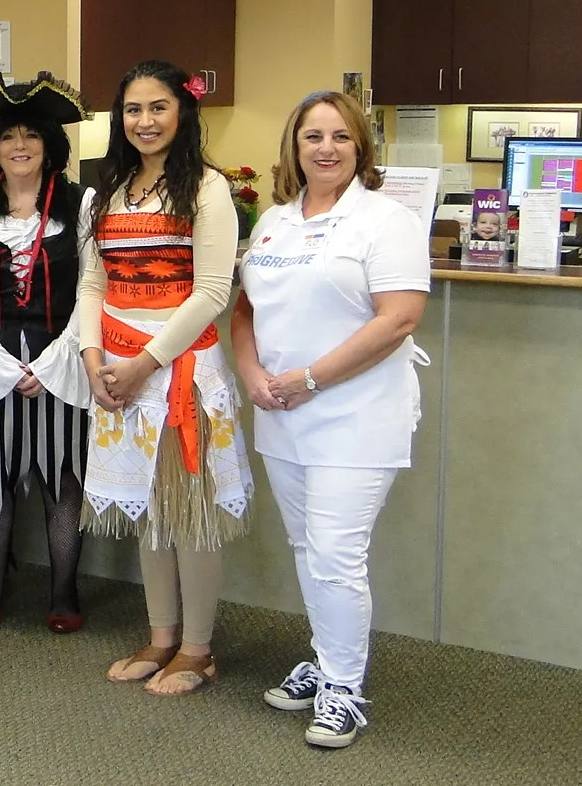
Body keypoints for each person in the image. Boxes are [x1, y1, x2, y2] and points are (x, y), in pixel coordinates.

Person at [231, 91, 430, 749]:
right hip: (284, 411)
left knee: (338, 555)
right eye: (313, 136)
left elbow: (399, 317)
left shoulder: (385, 220)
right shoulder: (273, 222)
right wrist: (254, 375)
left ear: (360, 147)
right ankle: (325, 660)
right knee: (307, 550)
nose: (325, 148)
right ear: (294, 145)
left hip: (356, 415)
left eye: (340, 137)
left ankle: (344, 688)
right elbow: (245, 310)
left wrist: (312, 378)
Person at [79, 60, 252, 696]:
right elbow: (91, 284)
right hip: (117, 374)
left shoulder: (207, 189)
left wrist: (143, 363)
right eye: (132, 109)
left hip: (180, 372)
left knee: (191, 510)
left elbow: (211, 290)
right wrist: (94, 362)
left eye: (158, 108)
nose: (145, 121)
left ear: (183, 113)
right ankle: (161, 636)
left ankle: (199, 649)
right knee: (151, 509)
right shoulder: (105, 192)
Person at [0, 74, 96, 632]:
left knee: (62, 474)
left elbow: (92, 288)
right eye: (9, 136)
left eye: (32, 134)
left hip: (65, 355)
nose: (21, 145)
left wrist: (55, 359)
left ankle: (64, 591)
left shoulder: (81, 203)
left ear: (50, 143)